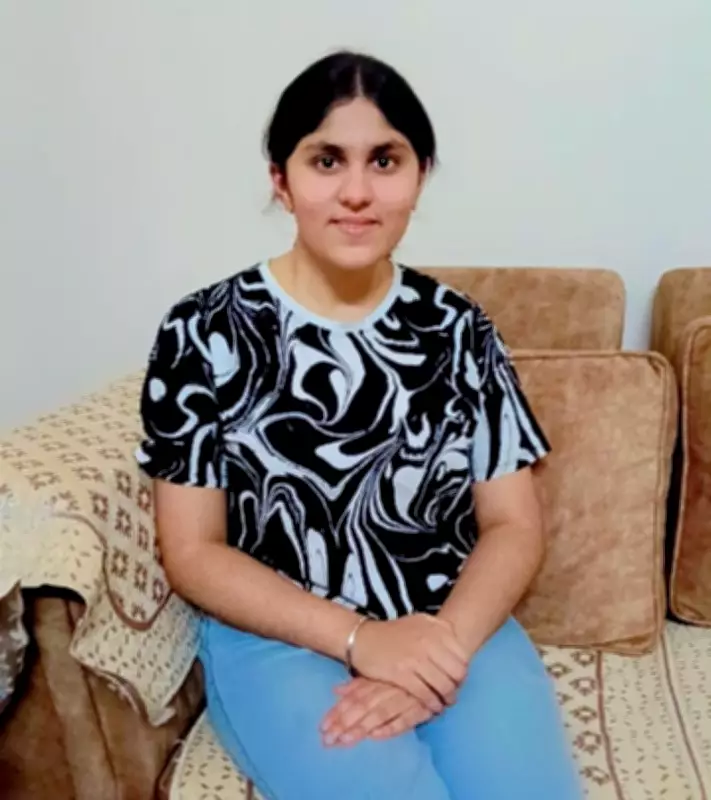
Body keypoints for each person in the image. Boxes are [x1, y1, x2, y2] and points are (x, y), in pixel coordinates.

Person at [136, 50, 582, 800]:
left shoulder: (459, 329)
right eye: (325, 160)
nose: (356, 191)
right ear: (280, 180)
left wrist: (432, 658)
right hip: (280, 637)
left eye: (384, 160)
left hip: (451, 620)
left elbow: (513, 525)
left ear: (419, 176)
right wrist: (361, 640)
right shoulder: (201, 331)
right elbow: (192, 550)